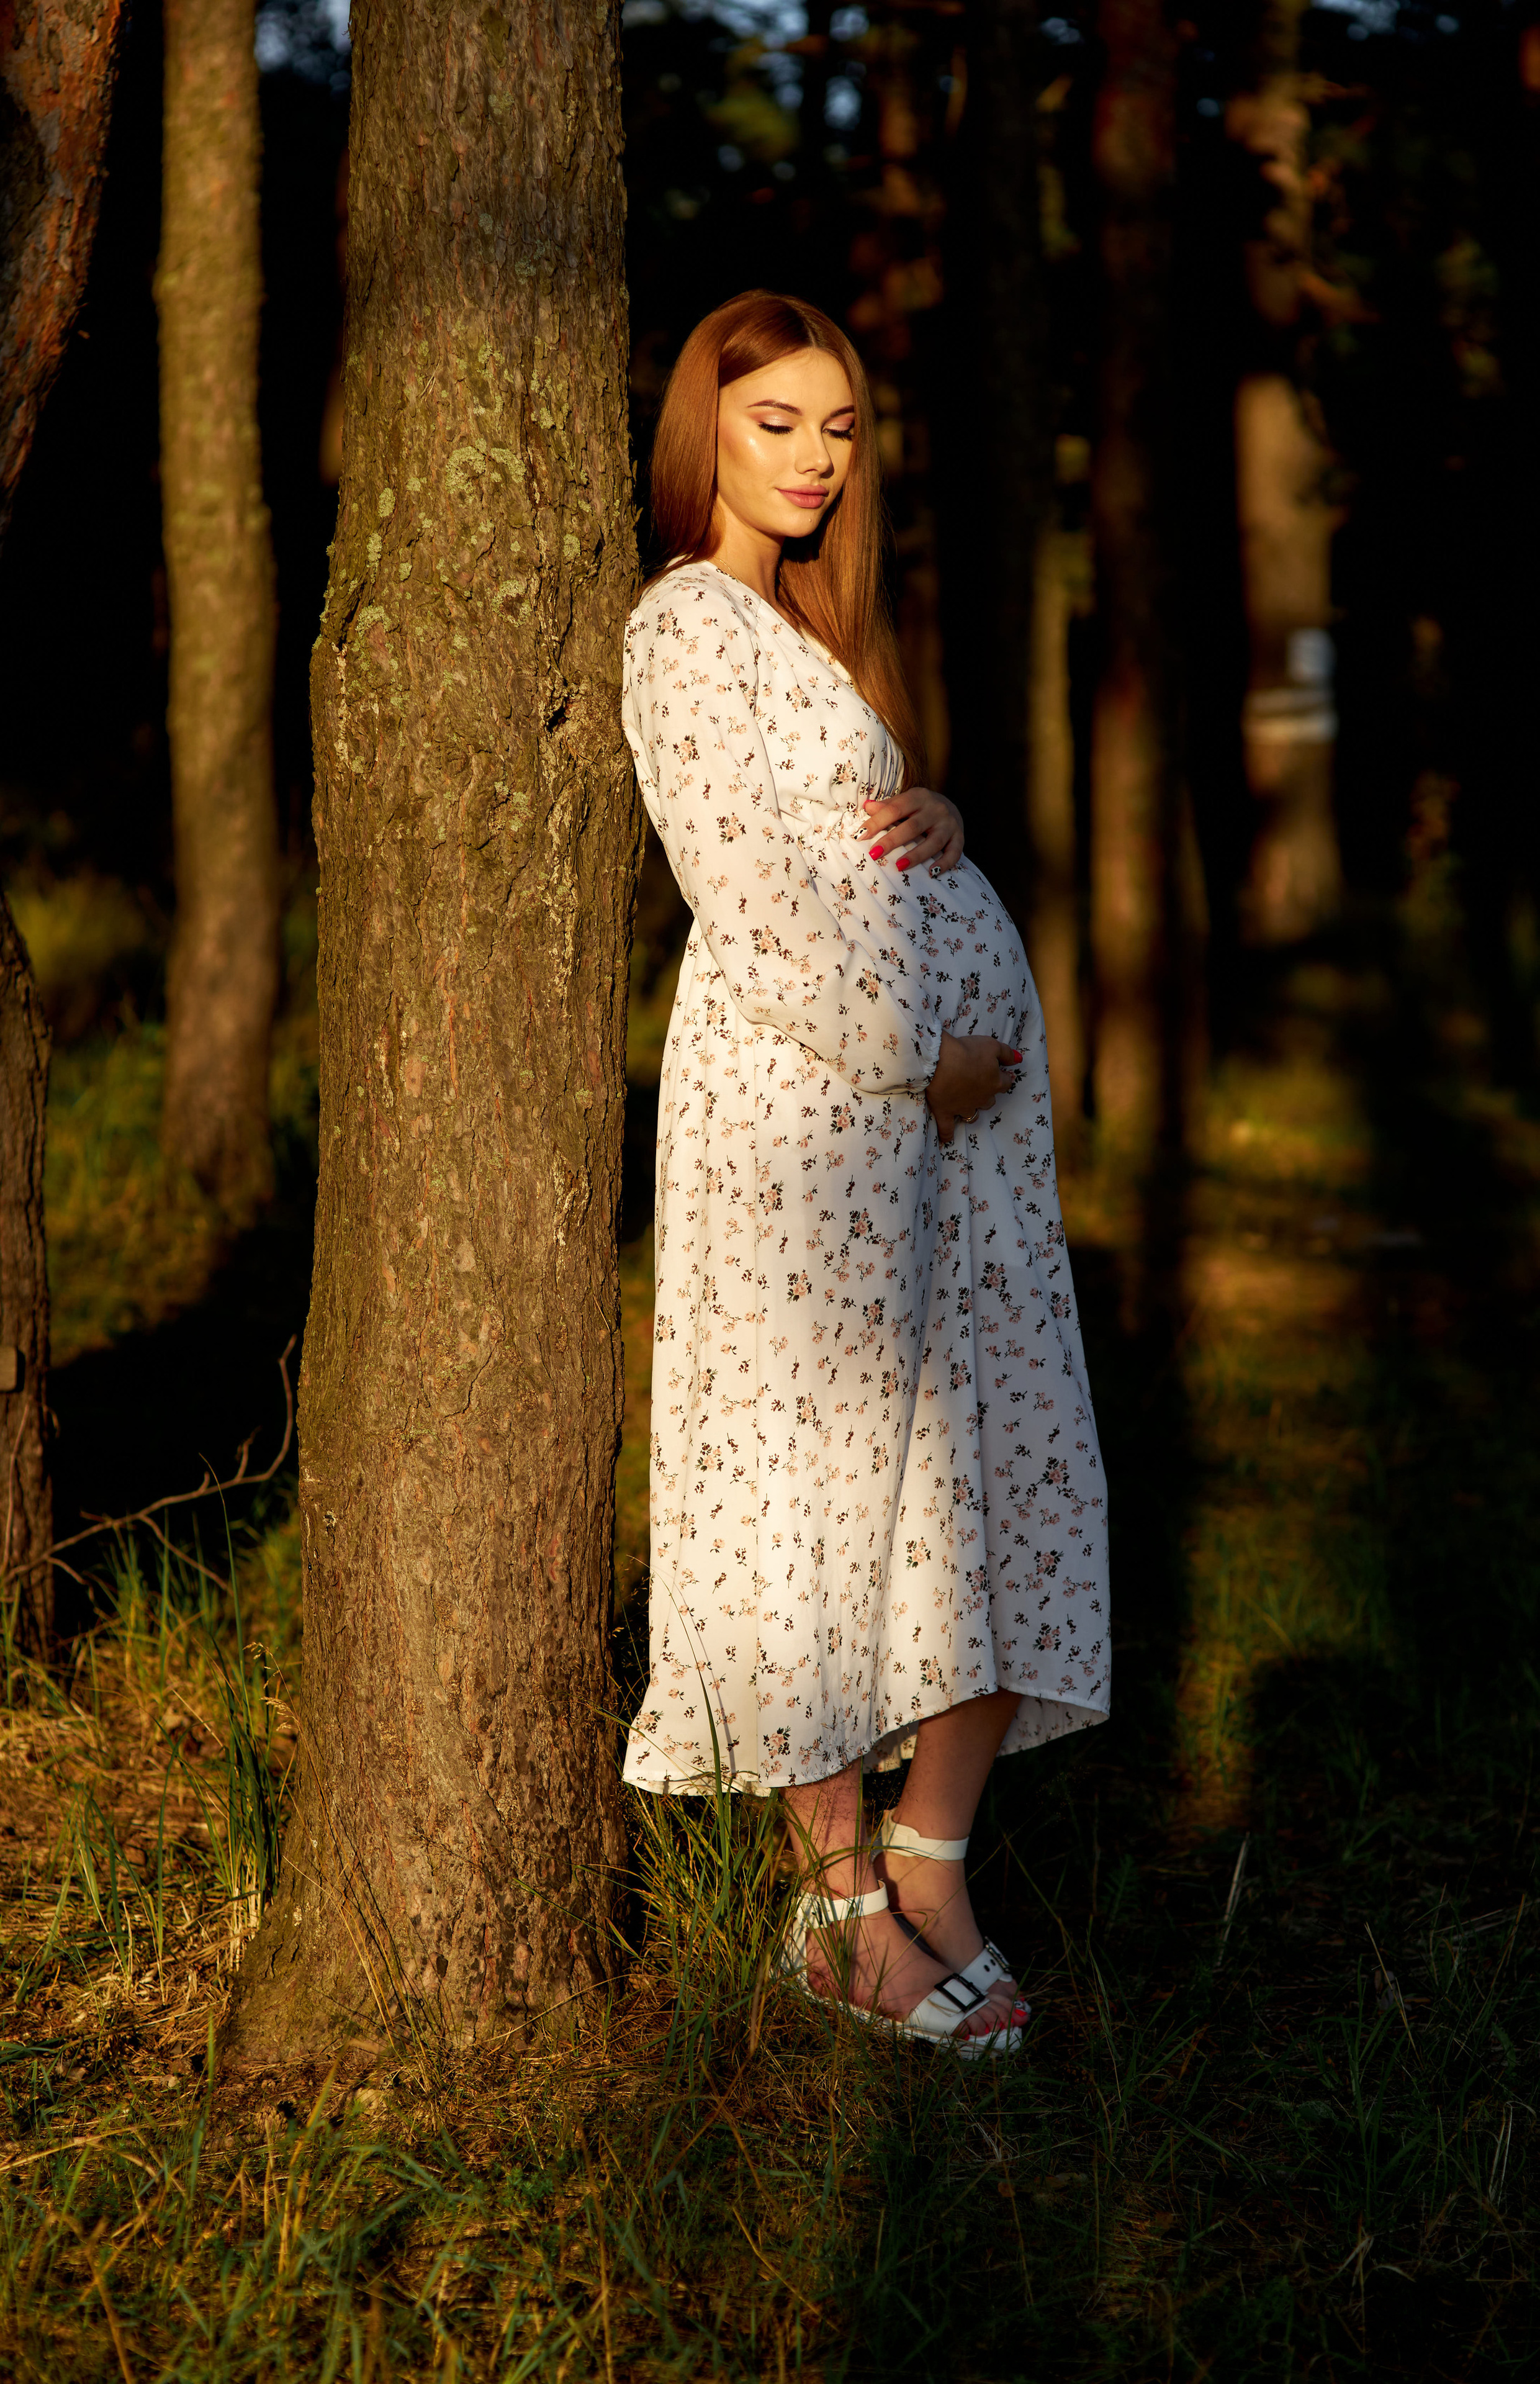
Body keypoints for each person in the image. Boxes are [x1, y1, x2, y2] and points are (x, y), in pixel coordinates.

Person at [621, 291, 1110, 2056]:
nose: (817, 457)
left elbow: (854, 840)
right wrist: (924, 1058)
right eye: (778, 423)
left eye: (838, 427)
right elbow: (745, 904)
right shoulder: (684, 624)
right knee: (806, 1490)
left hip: (947, 1136)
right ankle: (837, 1916)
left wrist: (948, 819)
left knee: (991, 1460)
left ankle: (933, 1864)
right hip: (815, 1120)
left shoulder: (817, 629)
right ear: (709, 432)